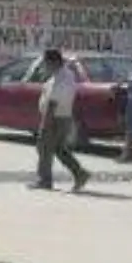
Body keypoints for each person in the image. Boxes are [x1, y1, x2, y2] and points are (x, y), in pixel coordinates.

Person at [31, 49, 89, 192]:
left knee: (44, 148)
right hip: (61, 116)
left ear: (54, 62)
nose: (45, 66)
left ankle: (44, 180)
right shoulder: (62, 75)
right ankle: (80, 173)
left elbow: (53, 102)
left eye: (46, 63)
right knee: (59, 149)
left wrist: (45, 123)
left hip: (56, 117)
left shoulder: (62, 77)